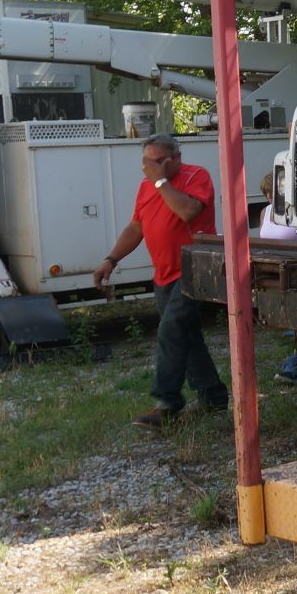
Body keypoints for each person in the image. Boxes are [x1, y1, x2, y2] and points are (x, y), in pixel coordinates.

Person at [93, 133, 229, 430]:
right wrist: (111, 259)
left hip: (194, 268)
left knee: (171, 329)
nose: (148, 169)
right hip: (164, 273)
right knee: (186, 335)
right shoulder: (147, 187)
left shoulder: (196, 176)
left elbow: (188, 211)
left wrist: (160, 181)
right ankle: (214, 396)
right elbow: (137, 226)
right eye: (146, 162)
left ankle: (166, 404)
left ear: (175, 158)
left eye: (155, 162)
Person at [256, 172, 297, 385]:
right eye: (266, 193)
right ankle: (296, 364)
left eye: (273, 192)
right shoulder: (266, 212)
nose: (269, 197)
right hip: (274, 271)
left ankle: (294, 368)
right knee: (289, 319)